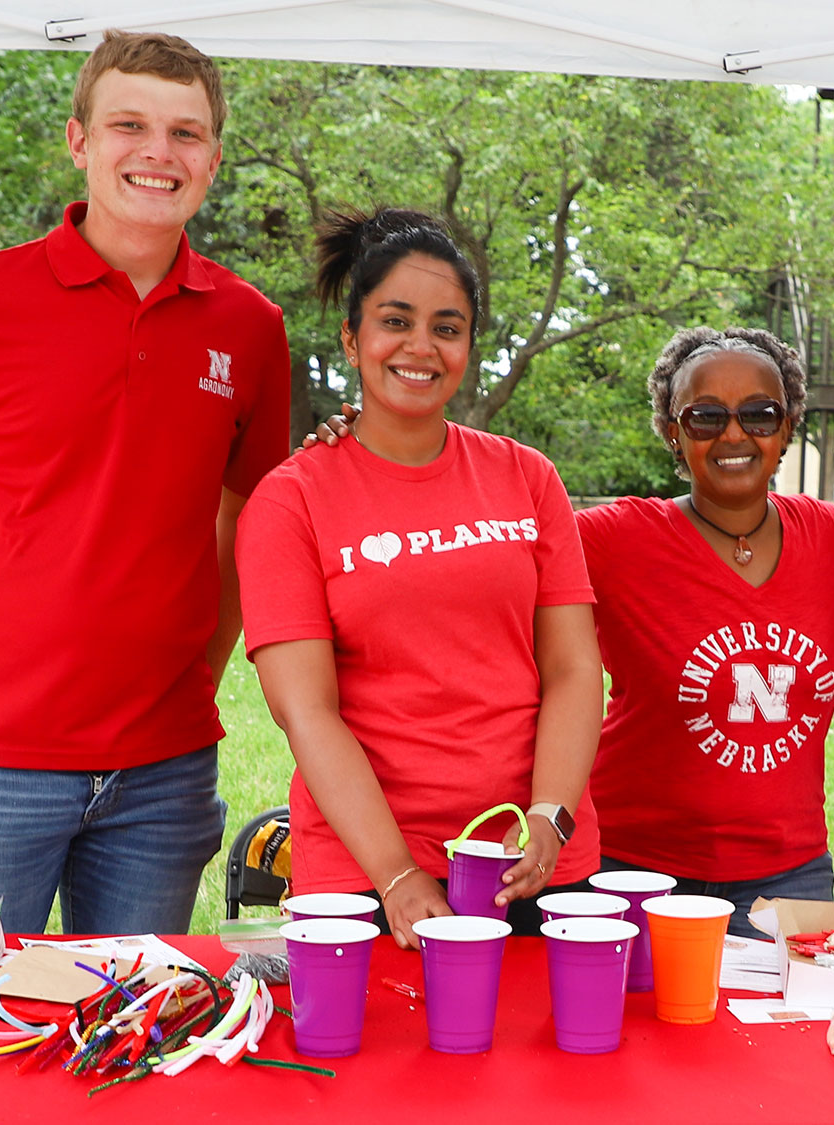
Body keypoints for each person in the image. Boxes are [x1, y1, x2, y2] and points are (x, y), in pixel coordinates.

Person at [0, 31, 290, 935]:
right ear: (79, 141)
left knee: (123, 1043)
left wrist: (198, 668)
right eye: (129, 124)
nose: (159, 153)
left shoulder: (250, 328)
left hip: (163, 774)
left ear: (214, 158)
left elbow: (252, 516)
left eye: (186, 134)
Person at [235, 206, 603, 950]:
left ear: (469, 344)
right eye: (394, 319)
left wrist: (550, 815)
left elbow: (572, 668)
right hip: (364, 874)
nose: (420, 346)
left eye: (447, 326)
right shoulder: (292, 498)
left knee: (545, 1062)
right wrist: (397, 874)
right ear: (352, 336)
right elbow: (307, 713)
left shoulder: (528, 477)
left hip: (533, 860)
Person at [577, 327, 834, 938]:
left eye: (760, 414)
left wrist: (800, 686)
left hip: (786, 873)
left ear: (789, 424)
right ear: (671, 429)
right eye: (706, 417)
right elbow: (487, 542)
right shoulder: (612, 539)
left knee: (780, 1032)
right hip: (632, 868)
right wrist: (364, 446)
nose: (735, 434)